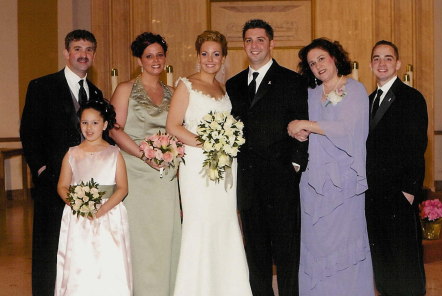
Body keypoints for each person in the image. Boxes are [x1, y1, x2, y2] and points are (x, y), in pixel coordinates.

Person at [225, 19, 308, 296]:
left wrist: (295, 166)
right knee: (256, 252)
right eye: (249, 40)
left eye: (260, 39)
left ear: (272, 43)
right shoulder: (233, 84)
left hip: (281, 178)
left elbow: (302, 122)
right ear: (243, 45)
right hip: (248, 181)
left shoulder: (292, 81)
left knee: (286, 252)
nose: (254, 45)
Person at [166, 30, 252, 296]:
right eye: (205, 54)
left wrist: (224, 143)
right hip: (197, 167)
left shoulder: (222, 89)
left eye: (216, 54)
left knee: (225, 222)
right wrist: (206, 143)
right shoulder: (186, 85)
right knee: (200, 224)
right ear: (198, 56)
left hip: (225, 166)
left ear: (224, 57)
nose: (210, 59)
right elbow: (172, 126)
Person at [288, 38, 374, 296]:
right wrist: (297, 132)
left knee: (344, 245)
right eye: (312, 63)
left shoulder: (355, 89)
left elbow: (349, 129)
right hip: (313, 183)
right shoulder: (311, 94)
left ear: (335, 58)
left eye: (321, 59)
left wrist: (306, 124)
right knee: (316, 245)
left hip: (344, 183)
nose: (317, 66)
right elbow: (299, 128)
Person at [20, 29, 102, 295]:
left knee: (80, 249)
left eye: (89, 49)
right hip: (52, 183)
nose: (83, 54)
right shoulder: (41, 86)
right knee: (49, 250)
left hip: (88, 185)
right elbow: (29, 132)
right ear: (66, 53)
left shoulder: (97, 94)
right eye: (77, 49)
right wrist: (42, 169)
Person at [109, 32, 181, 295]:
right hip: (136, 173)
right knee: (140, 239)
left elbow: (178, 130)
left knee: (165, 237)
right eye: (149, 56)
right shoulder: (126, 89)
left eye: (159, 55)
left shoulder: (173, 92)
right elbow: (115, 130)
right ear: (139, 60)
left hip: (165, 175)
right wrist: (144, 155)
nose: (155, 60)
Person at [366, 40, 427, 296]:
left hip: (399, 193)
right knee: (382, 260)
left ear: (398, 64)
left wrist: (410, 190)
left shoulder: (411, 98)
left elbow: (417, 146)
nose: (382, 63)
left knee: (405, 262)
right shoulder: (366, 101)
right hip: (373, 193)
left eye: (388, 58)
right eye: (377, 58)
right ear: (370, 65)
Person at [55, 99, 132, 295]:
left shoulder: (114, 153)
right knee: (80, 262)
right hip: (79, 216)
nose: (89, 128)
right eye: (84, 123)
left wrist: (102, 210)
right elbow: (63, 186)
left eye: (95, 123)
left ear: (105, 125)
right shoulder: (72, 153)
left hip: (108, 216)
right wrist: (78, 205)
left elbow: (122, 188)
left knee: (108, 261)